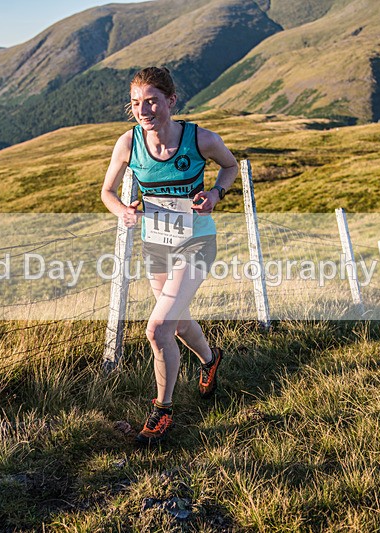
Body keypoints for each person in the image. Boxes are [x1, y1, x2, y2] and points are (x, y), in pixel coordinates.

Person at [100, 67, 238, 444]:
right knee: (176, 324)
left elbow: (230, 166)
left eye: (151, 101)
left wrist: (214, 195)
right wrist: (123, 212)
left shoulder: (201, 139)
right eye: (135, 103)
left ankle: (162, 411)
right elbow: (106, 193)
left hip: (196, 242)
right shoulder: (128, 143)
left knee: (157, 328)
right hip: (156, 245)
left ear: (171, 101)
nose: (143, 110)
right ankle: (211, 361)